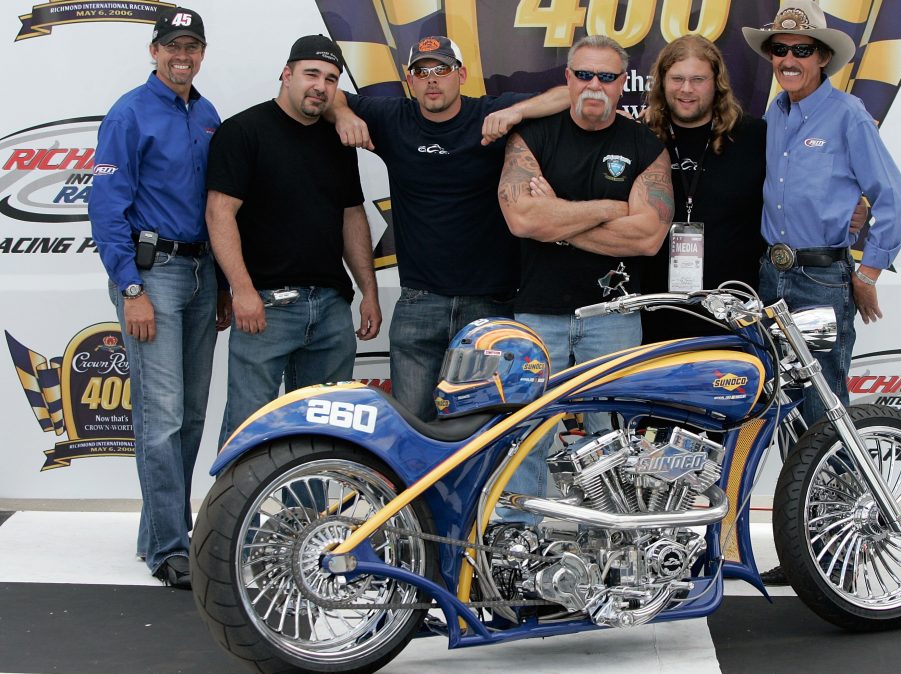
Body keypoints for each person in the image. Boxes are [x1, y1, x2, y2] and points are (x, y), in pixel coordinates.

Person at [331, 35, 569, 421]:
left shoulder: (488, 112)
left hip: (489, 303)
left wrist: (516, 113)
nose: (432, 79)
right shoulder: (393, 117)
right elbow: (330, 95)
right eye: (421, 71)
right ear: (410, 80)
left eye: (442, 69)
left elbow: (570, 95)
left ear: (462, 74)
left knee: (485, 430)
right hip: (419, 302)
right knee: (412, 426)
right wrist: (344, 114)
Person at [497, 34, 672, 502]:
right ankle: (519, 530)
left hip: (614, 316)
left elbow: (648, 237)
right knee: (525, 432)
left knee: (614, 436)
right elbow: (523, 219)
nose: (595, 85)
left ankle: (614, 535)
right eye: (585, 74)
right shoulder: (532, 136)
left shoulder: (644, 145)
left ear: (622, 83)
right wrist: (611, 209)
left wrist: (557, 218)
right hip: (538, 312)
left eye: (607, 76)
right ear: (568, 78)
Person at [90, 6, 228, 589]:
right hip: (153, 276)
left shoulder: (208, 114)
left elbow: (218, 207)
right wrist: (131, 289)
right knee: (162, 414)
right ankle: (171, 547)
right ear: (154, 51)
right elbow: (106, 207)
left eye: (192, 46)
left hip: (200, 272)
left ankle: (159, 534)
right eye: (173, 45)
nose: (183, 55)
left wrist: (223, 283)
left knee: (190, 415)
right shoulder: (129, 112)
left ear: (202, 54)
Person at [742, 0, 901, 426]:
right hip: (771, 278)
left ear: (822, 57)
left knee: (824, 408)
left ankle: (837, 474)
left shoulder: (848, 114)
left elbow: (895, 198)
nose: (788, 60)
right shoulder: (775, 113)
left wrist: (868, 274)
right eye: (780, 49)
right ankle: (799, 476)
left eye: (802, 50)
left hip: (820, 281)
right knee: (779, 408)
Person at [206, 35, 381, 445]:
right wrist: (242, 290)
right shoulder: (243, 131)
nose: (320, 86)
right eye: (311, 74)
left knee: (323, 436)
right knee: (248, 431)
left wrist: (369, 292)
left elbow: (352, 216)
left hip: (331, 307)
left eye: (331, 79)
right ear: (286, 75)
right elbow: (219, 213)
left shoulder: (337, 140)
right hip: (266, 307)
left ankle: (308, 495)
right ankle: (239, 494)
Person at [638, 35, 767, 340]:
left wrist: (850, 209)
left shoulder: (755, 136)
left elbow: (792, 189)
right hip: (655, 312)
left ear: (716, 83)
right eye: (677, 79)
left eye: (698, 79)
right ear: (662, 82)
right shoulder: (640, 137)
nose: (686, 89)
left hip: (733, 314)